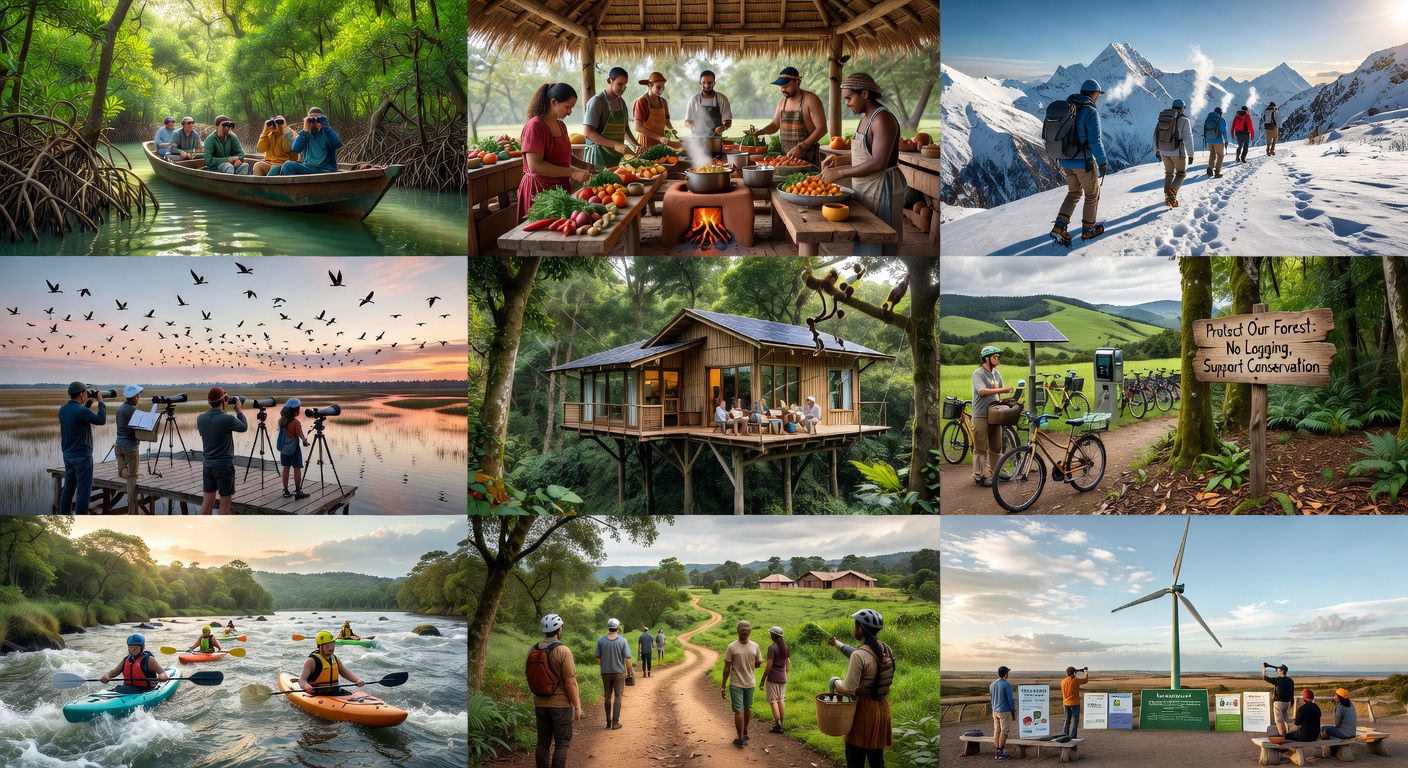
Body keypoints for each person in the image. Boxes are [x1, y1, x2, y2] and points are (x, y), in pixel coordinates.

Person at [820, 73, 907, 256]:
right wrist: (838, 161)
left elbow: (878, 163)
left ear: (865, 94)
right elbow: (863, 154)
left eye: (849, 98)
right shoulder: (865, 118)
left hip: (882, 188)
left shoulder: (882, 119)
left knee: (879, 240)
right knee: (865, 239)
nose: (847, 104)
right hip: (865, 188)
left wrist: (841, 173)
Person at [517, 82, 594, 223]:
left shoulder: (561, 125)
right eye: (567, 107)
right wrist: (573, 173)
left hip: (560, 189)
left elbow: (564, 155)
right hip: (539, 191)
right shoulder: (535, 126)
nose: (570, 112)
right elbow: (535, 166)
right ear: (554, 102)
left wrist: (585, 166)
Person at [827, 609, 894, 767]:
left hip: (862, 711)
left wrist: (835, 681)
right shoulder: (885, 649)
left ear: (860, 628)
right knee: (877, 761)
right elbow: (861, 655)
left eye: (855, 625)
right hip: (881, 710)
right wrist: (838, 644)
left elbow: (848, 689)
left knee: (855, 761)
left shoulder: (860, 655)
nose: (854, 628)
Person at [1050, 79, 1108, 247]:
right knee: (1092, 194)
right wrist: (1103, 162)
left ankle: (1060, 226)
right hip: (1083, 162)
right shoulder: (1090, 111)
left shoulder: (1069, 107)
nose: (1098, 96)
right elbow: (1095, 141)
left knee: (1074, 193)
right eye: (1098, 94)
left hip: (1065, 160)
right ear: (1094, 93)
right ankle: (1088, 230)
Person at [746, 67, 827, 166]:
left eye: (786, 86)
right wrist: (761, 132)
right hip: (786, 159)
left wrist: (801, 147)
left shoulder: (810, 99)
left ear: (797, 82)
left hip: (808, 158)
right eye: (781, 86)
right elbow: (775, 125)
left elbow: (822, 129)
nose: (783, 89)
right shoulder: (782, 102)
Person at [530, 614, 581, 768]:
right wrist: (577, 706)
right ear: (559, 630)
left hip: (540, 704)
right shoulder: (563, 651)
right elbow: (570, 681)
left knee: (543, 742)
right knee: (562, 743)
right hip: (560, 706)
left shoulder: (533, 649)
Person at [197, 387, 247, 514]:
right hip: (224, 467)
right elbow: (244, 427)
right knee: (224, 505)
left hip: (207, 465)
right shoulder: (227, 419)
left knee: (207, 502)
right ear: (223, 401)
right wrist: (239, 411)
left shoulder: (200, 418)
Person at [59, 381, 106, 514]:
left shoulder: (63, 409)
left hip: (67, 456)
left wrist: (88, 403)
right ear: (81, 394)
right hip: (82, 457)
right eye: (85, 392)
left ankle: (64, 515)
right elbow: (101, 420)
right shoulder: (81, 410)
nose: (86, 394)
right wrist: (100, 402)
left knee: (68, 489)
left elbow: (82, 415)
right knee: (83, 493)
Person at [971, 346, 1014, 488]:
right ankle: (979, 475)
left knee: (996, 446)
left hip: (994, 413)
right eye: (995, 357)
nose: (998, 359)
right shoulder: (978, 373)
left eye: (998, 357)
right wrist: (1003, 389)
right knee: (980, 446)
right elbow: (982, 391)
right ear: (987, 358)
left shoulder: (996, 373)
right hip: (981, 414)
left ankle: (996, 472)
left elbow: (999, 393)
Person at [582, 68, 639, 171]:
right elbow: (588, 132)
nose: (623, 88)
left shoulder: (622, 102)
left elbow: (625, 130)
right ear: (609, 81)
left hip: (615, 157)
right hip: (598, 157)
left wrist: (636, 145)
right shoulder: (597, 101)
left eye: (625, 86)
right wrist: (615, 144)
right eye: (620, 84)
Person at [722, 620, 763, 748]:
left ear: (738, 632)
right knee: (747, 709)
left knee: (739, 711)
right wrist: (749, 664)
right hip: (750, 682)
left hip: (736, 683)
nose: (745, 631)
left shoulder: (732, 647)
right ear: (749, 632)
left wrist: (723, 686)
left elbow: (727, 668)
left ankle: (740, 739)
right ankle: (744, 730)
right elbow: (758, 663)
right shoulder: (755, 646)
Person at [298, 630, 367, 696]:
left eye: (332, 644)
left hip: (334, 691)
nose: (331, 648)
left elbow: (344, 672)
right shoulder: (312, 661)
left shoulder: (335, 658)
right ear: (319, 646)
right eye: (327, 646)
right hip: (317, 693)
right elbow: (302, 680)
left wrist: (357, 680)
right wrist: (305, 685)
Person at [275, 110, 341, 176]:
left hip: (326, 169)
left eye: (317, 119)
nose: (314, 122)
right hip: (309, 168)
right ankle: (294, 186)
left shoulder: (327, 133)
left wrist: (326, 127)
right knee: (288, 165)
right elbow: (296, 149)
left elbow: (337, 144)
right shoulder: (305, 134)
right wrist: (304, 130)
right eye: (311, 119)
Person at [1154, 99, 1194, 209]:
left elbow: (1155, 135)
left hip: (1163, 151)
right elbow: (1188, 138)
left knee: (1168, 173)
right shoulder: (1184, 120)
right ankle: (1172, 192)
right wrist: (1191, 155)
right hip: (1177, 151)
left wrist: (1156, 150)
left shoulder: (1162, 119)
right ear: (1182, 108)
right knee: (1181, 174)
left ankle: (1168, 198)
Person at [594, 617, 633, 730]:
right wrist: (629, 673)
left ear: (609, 628)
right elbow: (627, 658)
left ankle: (608, 721)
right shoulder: (622, 641)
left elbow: (597, 656)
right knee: (618, 696)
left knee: (607, 696)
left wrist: (604, 661)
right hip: (619, 673)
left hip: (605, 673)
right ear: (618, 628)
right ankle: (615, 723)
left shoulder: (601, 640)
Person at [99, 634, 169, 693]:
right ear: (128, 647)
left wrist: (162, 676)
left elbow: (162, 673)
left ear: (142, 648)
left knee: (122, 689)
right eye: (131, 646)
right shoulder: (126, 659)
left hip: (145, 690)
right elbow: (114, 672)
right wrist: (107, 675)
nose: (133, 649)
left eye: (136, 647)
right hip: (127, 689)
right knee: (119, 688)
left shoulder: (149, 660)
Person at [114, 384, 143, 513]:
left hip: (118, 445)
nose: (139, 397)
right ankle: (132, 509)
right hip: (129, 447)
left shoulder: (120, 408)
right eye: (137, 395)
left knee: (123, 471)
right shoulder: (131, 410)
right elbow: (142, 424)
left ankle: (122, 473)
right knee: (132, 476)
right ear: (133, 397)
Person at [632, 72, 677, 150]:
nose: (661, 90)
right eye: (658, 87)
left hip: (660, 144)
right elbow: (638, 127)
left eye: (663, 87)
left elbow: (666, 120)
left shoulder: (663, 102)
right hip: (645, 145)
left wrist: (671, 129)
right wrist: (659, 138)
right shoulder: (642, 102)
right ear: (650, 86)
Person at [277, 399, 311, 500]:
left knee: (286, 467)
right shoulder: (296, 423)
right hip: (294, 449)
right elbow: (301, 435)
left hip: (284, 448)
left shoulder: (282, 420)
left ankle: (286, 491)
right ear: (296, 409)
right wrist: (305, 441)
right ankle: (298, 491)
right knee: (297, 468)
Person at [684, 70, 732, 137]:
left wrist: (722, 127)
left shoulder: (722, 99)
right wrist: (690, 125)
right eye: (704, 83)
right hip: (697, 138)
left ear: (714, 83)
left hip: (716, 139)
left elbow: (728, 121)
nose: (706, 86)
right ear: (700, 83)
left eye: (709, 83)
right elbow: (687, 121)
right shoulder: (694, 100)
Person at [764, 626, 789, 733]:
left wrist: (763, 677)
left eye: (771, 634)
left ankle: (778, 725)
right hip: (783, 677)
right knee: (781, 699)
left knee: (773, 700)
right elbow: (787, 663)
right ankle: (781, 723)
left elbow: (769, 665)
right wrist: (785, 673)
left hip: (773, 677)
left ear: (774, 636)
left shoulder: (772, 648)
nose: (770, 635)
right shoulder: (785, 647)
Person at [990, 666, 1016, 761]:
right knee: (1004, 731)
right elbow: (1010, 699)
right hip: (1004, 711)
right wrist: (1013, 710)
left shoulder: (992, 684)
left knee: (997, 730)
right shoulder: (1007, 685)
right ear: (1006, 673)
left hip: (995, 710)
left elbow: (992, 698)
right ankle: (1000, 752)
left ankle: (997, 749)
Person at [1263, 663, 1295, 736]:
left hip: (1278, 702)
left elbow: (1265, 677)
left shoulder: (1277, 680)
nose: (1277, 671)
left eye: (1279, 670)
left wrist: (1264, 668)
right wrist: (1291, 702)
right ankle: (1288, 734)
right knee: (1285, 719)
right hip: (1287, 703)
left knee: (1279, 720)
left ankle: (1282, 736)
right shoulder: (1290, 680)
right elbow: (1292, 692)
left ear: (1281, 671)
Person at [1061, 666, 1089, 739]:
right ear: (1074, 673)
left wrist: (1074, 673)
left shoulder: (1062, 681)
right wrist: (1086, 672)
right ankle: (1073, 737)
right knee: (1075, 720)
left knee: (1067, 719)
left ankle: (1064, 735)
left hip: (1065, 703)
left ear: (1067, 673)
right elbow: (1085, 680)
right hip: (1075, 703)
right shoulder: (1075, 681)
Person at [1203, 107, 1228, 178]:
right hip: (1218, 140)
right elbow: (1224, 131)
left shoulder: (1208, 118)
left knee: (1212, 154)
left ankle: (1209, 169)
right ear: (1220, 113)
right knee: (1220, 155)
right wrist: (1226, 140)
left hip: (1209, 139)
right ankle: (1217, 172)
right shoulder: (1221, 119)